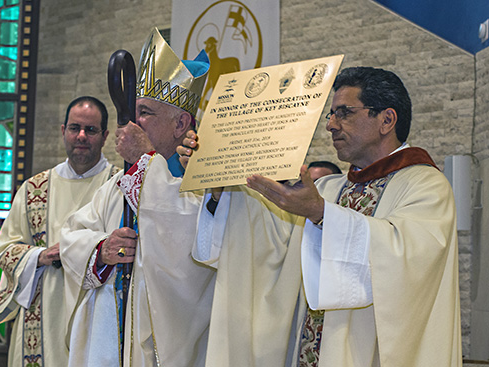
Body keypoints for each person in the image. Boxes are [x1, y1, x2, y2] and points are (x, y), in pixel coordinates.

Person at [179, 67, 462, 366]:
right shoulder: (329, 187)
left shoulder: (427, 186)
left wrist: (320, 213)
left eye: (343, 113)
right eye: (330, 114)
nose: (330, 125)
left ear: (386, 120)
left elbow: (406, 259)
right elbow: (270, 245)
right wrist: (219, 182)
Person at [60, 27, 215, 367]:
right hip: (106, 339)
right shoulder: (120, 181)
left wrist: (146, 160)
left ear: (181, 124)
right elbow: (72, 232)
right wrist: (102, 249)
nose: (133, 121)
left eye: (145, 112)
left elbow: (192, 254)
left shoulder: (202, 182)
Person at [0, 96, 119, 367]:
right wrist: (40, 256)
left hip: (98, 311)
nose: (81, 136)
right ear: (63, 131)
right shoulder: (34, 189)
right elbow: (3, 250)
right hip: (41, 311)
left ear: (105, 136)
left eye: (91, 130)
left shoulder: (118, 185)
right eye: (74, 128)